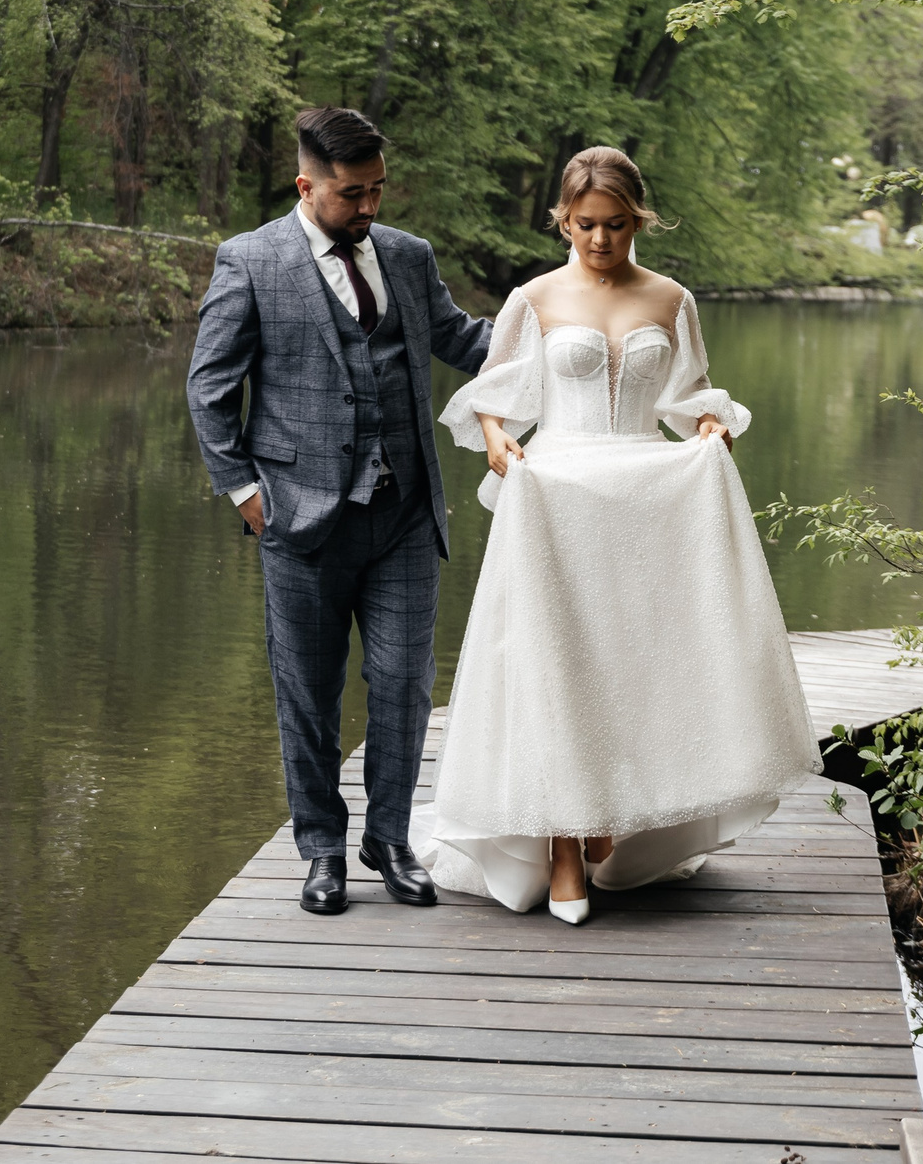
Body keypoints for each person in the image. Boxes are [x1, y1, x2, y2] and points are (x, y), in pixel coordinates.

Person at [412, 146, 819, 922]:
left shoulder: (671, 297)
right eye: (587, 225)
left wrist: (706, 422)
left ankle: (611, 819)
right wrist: (498, 437)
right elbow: (491, 395)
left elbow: (688, 394)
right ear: (563, 220)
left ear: (640, 219)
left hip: (643, 502)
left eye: (618, 224)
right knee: (556, 658)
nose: (601, 240)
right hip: (558, 497)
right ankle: (563, 840)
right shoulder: (533, 298)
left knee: (630, 662)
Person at [186, 107, 496, 915]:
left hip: (401, 511)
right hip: (299, 518)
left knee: (402, 684)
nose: (369, 208)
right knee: (309, 691)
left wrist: (574, 325)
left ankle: (388, 839)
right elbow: (209, 389)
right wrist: (248, 495)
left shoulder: (406, 255)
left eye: (378, 191)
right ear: (306, 184)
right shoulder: (249, 261)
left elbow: (466, 341)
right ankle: (321, 847)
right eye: (352, 194)